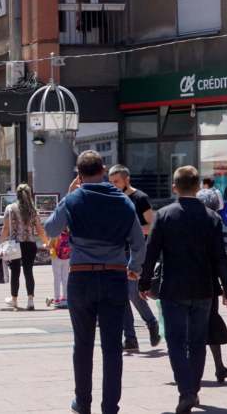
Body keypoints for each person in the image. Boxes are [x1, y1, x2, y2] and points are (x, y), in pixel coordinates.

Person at [44, 150, 145, 414]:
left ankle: (83, 402)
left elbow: (50, 229)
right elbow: (138, 243)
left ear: (78, 174)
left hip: (81, 277)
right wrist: (133, 268)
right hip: (114, 277)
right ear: (103, 170)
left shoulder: (73, 199)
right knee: (112, 346)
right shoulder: (123, 202)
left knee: (83, 343)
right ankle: (110, 406)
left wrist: (68, 195)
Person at [139, 166, 227, 414]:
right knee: (197, 342)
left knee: (175, 341)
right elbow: (220, 258)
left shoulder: (163, 215)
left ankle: (186, 391)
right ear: (197, 187)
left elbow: (151, 252)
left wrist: (143, 282)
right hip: (204, 289)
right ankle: (192, 389)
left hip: (173, 289)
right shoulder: (211, 218)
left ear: (175, 187)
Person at [108, 164, 161, 352]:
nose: (113, 185)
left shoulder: (140, 198)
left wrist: (133, 231)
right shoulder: (113, 199)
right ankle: (130, 338)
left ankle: (151, 322)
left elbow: (152, 226)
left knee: (132, 292)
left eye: (116, 182)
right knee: (120, 297)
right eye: (111, 182)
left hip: (136, 252)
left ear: (126, 180)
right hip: (116, 253)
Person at [196, 182, 227, 383]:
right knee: (209, 322)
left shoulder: (175, 215)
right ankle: (217, 367)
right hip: (207, 284)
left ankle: (190, 371)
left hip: (179, 284)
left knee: (188, 327)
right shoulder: (213, 221)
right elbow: (220, 258)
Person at [1, 184, 49, 310]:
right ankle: (30, 300)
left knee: (15, 272)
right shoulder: (33, 210)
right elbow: (40, 230)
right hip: (30, 244)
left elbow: (5, 229)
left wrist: (1, 245)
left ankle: (15, 300)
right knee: (28, 272)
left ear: (17, 194)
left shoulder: (10, 209)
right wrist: (47, 242)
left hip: (15, 245)